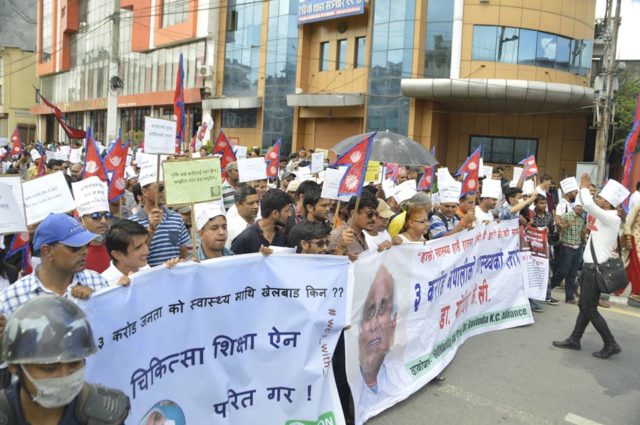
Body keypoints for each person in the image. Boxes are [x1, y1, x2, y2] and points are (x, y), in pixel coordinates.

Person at [0, 295, 130, 424]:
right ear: (14, 367)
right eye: (49, 368)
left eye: (74, 364)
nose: (64, 376)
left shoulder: (106, 414)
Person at [553, 175, 628, 359]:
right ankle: (575, 339)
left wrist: (584, 188)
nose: (598, 198)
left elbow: (587, 204)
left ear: (609, 203)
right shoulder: (607, 217)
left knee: (589, 308)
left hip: (594, 270)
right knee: (585, 306)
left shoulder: (611, 217)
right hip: (590, 268)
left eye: (601, 197)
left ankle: (610, 343)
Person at [0, 213, 110, 318]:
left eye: (86, 244)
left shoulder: (97, 282)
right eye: (75, 247)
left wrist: (97, 302)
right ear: (47, 252)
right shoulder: (12, 299)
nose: (85, 251)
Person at [357, 266, 399, 418]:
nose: (374, 326)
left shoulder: (402, 379)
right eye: (369, 311)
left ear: (394, 321)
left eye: (382, 309)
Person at [129, 181, 190, 267]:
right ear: (145, 192)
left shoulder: (176, 218)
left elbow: (184, 254)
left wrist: (182, 263)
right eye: (160, 188)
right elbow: (133, 257)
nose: (164, 192)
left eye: (166, 188)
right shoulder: (132, 223)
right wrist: (150, 230)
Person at [231, 189, 292, 254]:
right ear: (275, 213)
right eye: (287, 211)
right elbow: (231, 262)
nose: (290, 214)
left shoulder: (281, 237)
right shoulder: (245, 239)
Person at [551, 202, 586, 304]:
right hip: (566, 246)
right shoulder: (566, 216)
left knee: (572, 273)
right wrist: (566, 225)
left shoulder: (582, 219)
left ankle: (569, 297)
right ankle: (547, 288)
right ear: (575, 206)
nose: (580, 208)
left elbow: (581, 234)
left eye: (582, 207)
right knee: (563, 272)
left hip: (577, 247)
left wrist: (584, 233)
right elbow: (558, 229)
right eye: (578, 206)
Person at [102, 219, 151, 286]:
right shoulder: (105, 284)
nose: (146, 251)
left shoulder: (145, 268)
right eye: (138, 247)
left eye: (145, 242)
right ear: (117, 255)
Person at [287, 186, 331, 250]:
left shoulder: (328, 228)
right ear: (310, 207)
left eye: (328, 205)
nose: (328, 209)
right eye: (324, 205)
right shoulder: (297, 232)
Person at [226, 184, 260, 249]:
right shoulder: (230, 230)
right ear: (238, 205)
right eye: (251, 203)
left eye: (257, 202)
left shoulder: (261, 224)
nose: (256, 206)